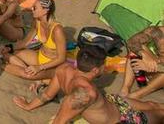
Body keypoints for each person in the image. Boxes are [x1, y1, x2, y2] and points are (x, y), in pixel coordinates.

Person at [13, 46, 164, 124]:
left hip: (113, 102)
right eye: (104, 65)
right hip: (121, 120)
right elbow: (60, 121)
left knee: (153, 104)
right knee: (159, 115)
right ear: (95, 70)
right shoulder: (84, 94)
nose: (105, 68)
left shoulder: (63, 69)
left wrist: (28, 105)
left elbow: (47, 95)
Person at [0, 0, 66, 82]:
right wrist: (8, 47)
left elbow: (61, 58)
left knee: (27, 75)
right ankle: (29, 71)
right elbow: (24, 43)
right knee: (7, 53)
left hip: (52, 65)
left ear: (45, 11)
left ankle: (1, 66)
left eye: (35, 8)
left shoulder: (57, 30)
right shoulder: (37, 22)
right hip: (39, 57)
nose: (32, 9)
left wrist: (39, 67)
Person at [120, 26, 164, 99]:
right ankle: (125, 89)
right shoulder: (158, 32)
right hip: (156, 68)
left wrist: (152, 66)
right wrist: (144, 54)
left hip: (161, 73)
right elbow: (132, 41)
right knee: (135, 50)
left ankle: (137, 95)